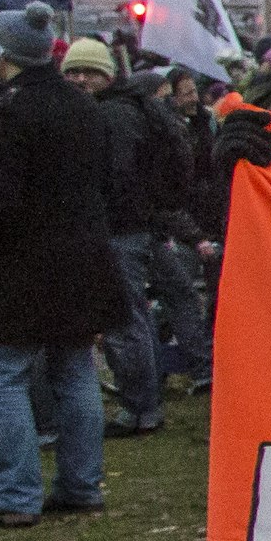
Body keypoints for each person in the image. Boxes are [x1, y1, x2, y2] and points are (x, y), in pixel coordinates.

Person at [0, 5, 118, 541]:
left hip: (22, 263)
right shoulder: (83, 106)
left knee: (6, 375)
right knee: (74, 371)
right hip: (83, 258)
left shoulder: (10, 114)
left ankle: (18, 493)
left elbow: (4, 200)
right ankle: (82, 485)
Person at [74, 43, 203, 434]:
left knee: (126, 319)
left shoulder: (112, 115)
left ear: (108, 74)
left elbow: (117, 175)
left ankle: (141, 409)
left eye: (89, 72)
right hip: (141, 225)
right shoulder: (131, 108)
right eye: (73, 72)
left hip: (121, 228)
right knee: (142, 314)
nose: (80, 80)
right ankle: (148, 400)